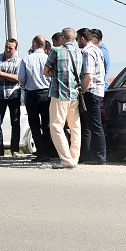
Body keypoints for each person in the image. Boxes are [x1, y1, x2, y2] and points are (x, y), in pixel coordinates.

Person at [44, 28, 81, 169]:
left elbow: (45, 70)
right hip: (75, 94)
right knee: (75, 127)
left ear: (63, 37)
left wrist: (54, 74)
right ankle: (74, 157)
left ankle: (66, 159)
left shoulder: (56, 51)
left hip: (59, 93)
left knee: (56, 126)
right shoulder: (79, 53)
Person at [18, 34, 55, 162]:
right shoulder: (48, 58)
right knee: (46, 124)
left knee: (34, 124)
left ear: (34, 44)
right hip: (46, 93)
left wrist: (26, 84)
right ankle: (50, 150)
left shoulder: (26, 59)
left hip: (32, 94)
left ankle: (41, 152)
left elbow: (21, 79)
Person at [77, 28, 108, 164]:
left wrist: (82, 91)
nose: (77, 42)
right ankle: (91, 155)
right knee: (92, 125)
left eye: (78, 39)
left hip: (91, 92)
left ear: (83, 38)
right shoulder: (97, 50)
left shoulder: (88, 52)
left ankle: (99, 156)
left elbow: (88, 76)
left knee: (95, 126)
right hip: (98, 91)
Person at [0, 38, 23, 157]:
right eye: (6, 47)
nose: (8, 49)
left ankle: (14, 149)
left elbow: (18, 78)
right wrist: (10, 76)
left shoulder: (19, 61)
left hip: (13, 95)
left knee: (15, 122)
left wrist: (2, 74)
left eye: (11, 48)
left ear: (15, 49)